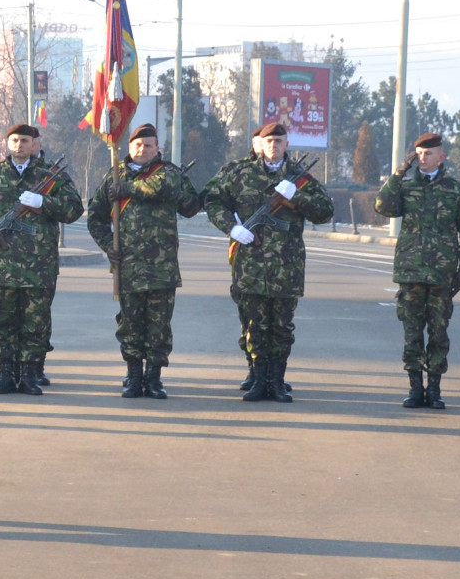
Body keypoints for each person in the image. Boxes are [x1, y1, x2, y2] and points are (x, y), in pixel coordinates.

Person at [205, 119, 333, 403]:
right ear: (260, 145)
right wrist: (231, 227)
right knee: (255, 325)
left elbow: (325, 212)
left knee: (282, 327)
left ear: (287, 144)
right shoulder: (240, 174)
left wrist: (297, 198)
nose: (273, 146)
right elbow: (212, 200)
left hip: (286, 266)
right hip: (250, 265)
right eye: (269, 141)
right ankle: (259, 380)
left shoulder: (300, 178)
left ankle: (277, 381)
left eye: (279, 141)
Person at [0, 122, 86, 396]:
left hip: (39, 266)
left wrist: (44, 204)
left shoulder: (51, 177)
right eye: (14, 140)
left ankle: (29, 376)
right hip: (1, 265)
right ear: (7, 143)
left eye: (24, 140)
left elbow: (74, 209)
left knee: (35, 323)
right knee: (2, 322)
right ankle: (5, 374)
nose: (19, 145)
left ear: (33, 144)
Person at [85, 122, 202, 398]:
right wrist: (106, 246)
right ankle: (133, 375)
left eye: (148, 145)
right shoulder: (113, 175)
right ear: (128, 148)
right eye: (137, 145)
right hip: (128, 266)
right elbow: (95, 217)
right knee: (130, 324)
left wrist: (127, 189)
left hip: (162, 268)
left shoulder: (169, 173)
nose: (143, 149)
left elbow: (170, 193)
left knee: (159, 327)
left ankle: (154, 378)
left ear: (157, 148)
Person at [374, 131, 460, 409]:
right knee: (412, 333)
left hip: (442, 275)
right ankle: (414, 387)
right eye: (419, 153)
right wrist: (397, 174)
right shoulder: (406, 186)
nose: (423, 157)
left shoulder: (455, 190)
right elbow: (382, 206)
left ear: (441, 157)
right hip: (411, 272)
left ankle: (434, 388)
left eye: (428, 153)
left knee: (438, 332)